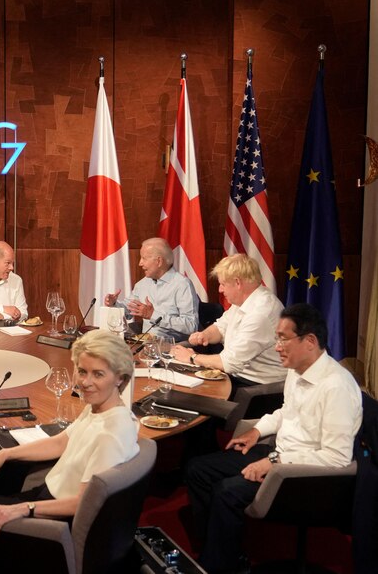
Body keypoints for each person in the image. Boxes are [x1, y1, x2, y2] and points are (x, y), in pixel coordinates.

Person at [0, 329, 139, 572]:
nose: (85, 382)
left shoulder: (111, 434)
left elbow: (83, 504)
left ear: (120, 378)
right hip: (45, 494)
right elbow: (60, 442)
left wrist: (23, 508)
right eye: (82, 371)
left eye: (98, 374)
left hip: (53, 519)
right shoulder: (101, 408)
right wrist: (6, 454)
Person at [185, 303, 362, 574]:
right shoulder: (297, 369)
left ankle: (218, 565)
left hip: (305, 476)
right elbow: (285, 412)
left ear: (310, 341)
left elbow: (335, 458)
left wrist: (275, 462)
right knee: (198, 469)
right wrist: (257, 431)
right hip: (278, 455)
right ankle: (218, 548)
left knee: (227, 491)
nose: (276, 345)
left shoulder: (336, 386)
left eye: (282, 338)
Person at [172, 253, 287, 388]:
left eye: (223, 284)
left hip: (257, 388)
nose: (220, 290)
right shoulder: (244, 301)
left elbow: (230, 363)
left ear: (238, 283)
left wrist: (192, 358)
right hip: (237, 377)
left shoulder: (260, 312)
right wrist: (204, 335)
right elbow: (221, 327)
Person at [103, 237, 198, 342]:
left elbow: (191, 326)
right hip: (145, 344)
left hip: (173, 346)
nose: (140, 263)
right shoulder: (143, 284)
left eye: (144, 258)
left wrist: (153, 315)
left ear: (159, 261)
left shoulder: (182, 285)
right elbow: (128, 311)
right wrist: (114, 304)